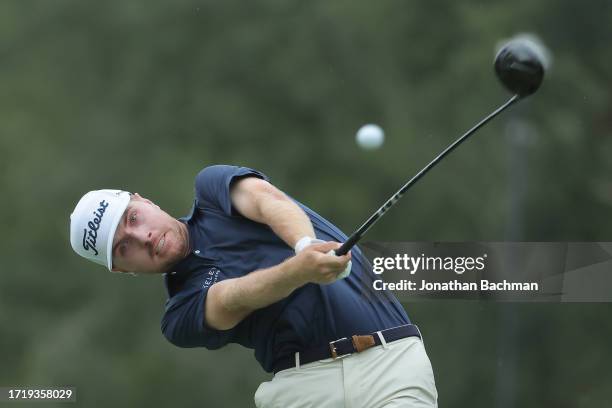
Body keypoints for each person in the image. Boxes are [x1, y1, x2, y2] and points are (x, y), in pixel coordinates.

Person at [70, 165, 438, 407]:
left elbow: (266, 201)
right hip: (304, 390)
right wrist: (300, 269)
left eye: (133, 218)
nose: (143, 236)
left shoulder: (212, 192)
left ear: (143, 200)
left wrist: (305, 246)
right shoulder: (179, 315)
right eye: (124, 246)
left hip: (391, 362)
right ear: (122, 269)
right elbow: (232, 298)